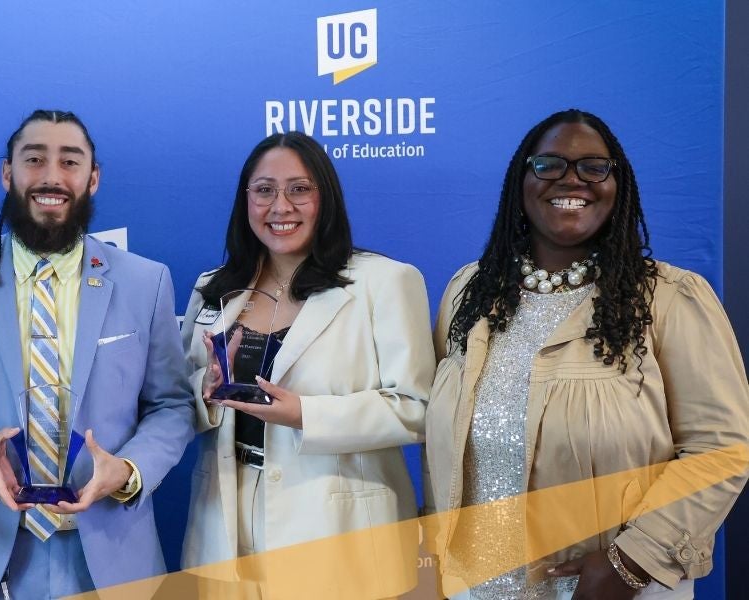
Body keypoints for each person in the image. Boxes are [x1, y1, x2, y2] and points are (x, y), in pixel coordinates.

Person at [425, 109, 749, 600]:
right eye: (549, 165)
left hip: (610, 589)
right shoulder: (469, 291)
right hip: (474, 586)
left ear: (618, 186)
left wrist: (633, 561)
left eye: (594, 167)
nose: (571, 179)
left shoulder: (667, 297)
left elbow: (720, 448)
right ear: (522, 180)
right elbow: (444, 439)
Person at [0, 109, 195, 599]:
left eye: (70, 162)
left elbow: (172, 405)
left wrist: (128, 472)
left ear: (93, 178)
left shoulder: (145, 282)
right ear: (8, 173)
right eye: (34, 160)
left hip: (114, 559)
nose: (51, 177)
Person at [177, 131, 430, 599]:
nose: (281, 206)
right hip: (226, 523)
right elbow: (177, 401)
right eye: (264, 190)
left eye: (299, 189)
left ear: (325, 197)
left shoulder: (384, 281)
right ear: (245, 199)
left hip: (337, 525)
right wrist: (206, 391)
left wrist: (305, 415)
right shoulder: (213, 288)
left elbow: (416, 407)